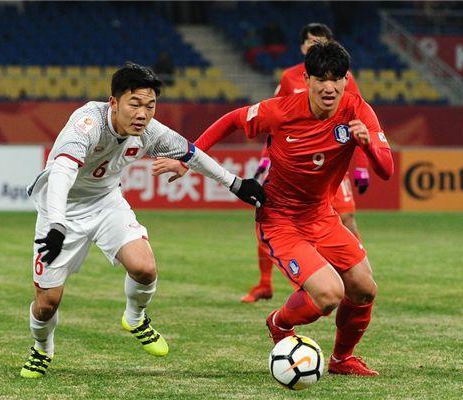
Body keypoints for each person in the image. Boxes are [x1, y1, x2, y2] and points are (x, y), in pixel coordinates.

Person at [153, 41, 393, 376]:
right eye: (321, 79)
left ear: (345, 80)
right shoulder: (280, 110)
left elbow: (386, 169)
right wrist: (187, 159)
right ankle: (279, 323)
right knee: (329, 294)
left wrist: (368, 145)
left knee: (364, 289)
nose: (329, 87)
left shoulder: (357, 110)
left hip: (322, 216)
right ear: (306, 79)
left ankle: (342, 360)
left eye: (336, 79)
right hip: (280, 219)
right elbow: (232, 120)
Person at [20, 62, 265, 378]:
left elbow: (191, 154)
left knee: (145, 268)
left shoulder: (150, 131)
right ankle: (42, 349)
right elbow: (61, 173)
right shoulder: (86, 124)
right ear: (114, 103)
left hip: (106, 204)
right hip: (61, 210)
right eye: (134, 104)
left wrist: (236, 184)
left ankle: (135, 318)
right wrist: (56, 223)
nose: (143, 114)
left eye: (150, 106)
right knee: (47, 304)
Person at [241, 22, 370, 303]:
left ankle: (352, 278)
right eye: (311, 41)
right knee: (275, 214)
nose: (315, 45)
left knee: (347, 218)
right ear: (302, 47)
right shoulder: (290, 78)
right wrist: (266, 159)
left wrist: (361, 165)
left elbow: (360, 121)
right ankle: (268, 282)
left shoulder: (344, 78)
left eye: (321, 41)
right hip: (297, 164)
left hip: (332, 165)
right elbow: (275, 121)